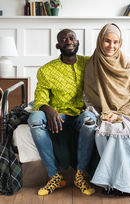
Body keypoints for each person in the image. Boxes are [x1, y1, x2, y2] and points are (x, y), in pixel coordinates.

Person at [84, 23, 130, 195]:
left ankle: (122, 185)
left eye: (116, 42)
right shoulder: (92, 65)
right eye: (107, 41)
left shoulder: (128, 66)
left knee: (120, 134)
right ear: (100, 40)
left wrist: (119, 113)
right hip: (103, 112)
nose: (111, 46)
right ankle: (113, 183)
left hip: (127, 112)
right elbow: (89, 96)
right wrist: (106, 113)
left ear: (120, 43)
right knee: (108, 130)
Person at [28, 29, 97, 196]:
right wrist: (48, 109)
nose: (68, 40)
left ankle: (80, 175)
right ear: (58, 45)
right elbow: (39, 98)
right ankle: (54, 176)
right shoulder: (46, 70)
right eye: (64, 39)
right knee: (35, 118)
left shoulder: (90, 63)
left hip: (82, 113)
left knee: (90, 121)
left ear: (78, 42)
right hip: (58, 115)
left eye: (72, 37)